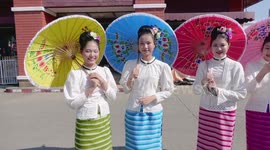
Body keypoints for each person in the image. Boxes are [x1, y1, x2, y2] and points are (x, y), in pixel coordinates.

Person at [119, 25, 175, 149]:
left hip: (153, 113)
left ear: (154, 44)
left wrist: (153, 97)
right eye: (142, 43)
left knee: (152, 146)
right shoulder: (130, 64)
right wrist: (131, 78)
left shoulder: (162, 66)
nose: (145, 47)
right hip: (133, 111)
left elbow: (169, 89)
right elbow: (126, 89)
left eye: (148, 43)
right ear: (138, 46)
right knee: (134, 146)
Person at [192, 26, 247, 149]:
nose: (219, 48)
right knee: (205, 145)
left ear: (229, 45)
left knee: (222, 145)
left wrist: (218, 92)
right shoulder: (204, 65)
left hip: (225, 113)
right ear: (210, 46)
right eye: (215, 45)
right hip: (206, 111)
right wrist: (203, 81)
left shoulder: (236, 66)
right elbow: (196, 90)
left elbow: (241, 93)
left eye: (222, 45)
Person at [64, 31, 118, 150]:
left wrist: (103, 83)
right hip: (85, 124)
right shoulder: (75, 74)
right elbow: (72, 104)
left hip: (103, 122)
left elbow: (113, 97)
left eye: (95, 51)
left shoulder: (104, 71)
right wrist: (90, 89)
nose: (92, 55)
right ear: (81, 52)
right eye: (88, 51)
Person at [245, 35, 270, 149]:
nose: (269, 51)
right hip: (256, 111)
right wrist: (263, 72)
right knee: (255, 145)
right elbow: (248, 89)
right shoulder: (252, 66)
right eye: (267, 47)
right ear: (262, 48)